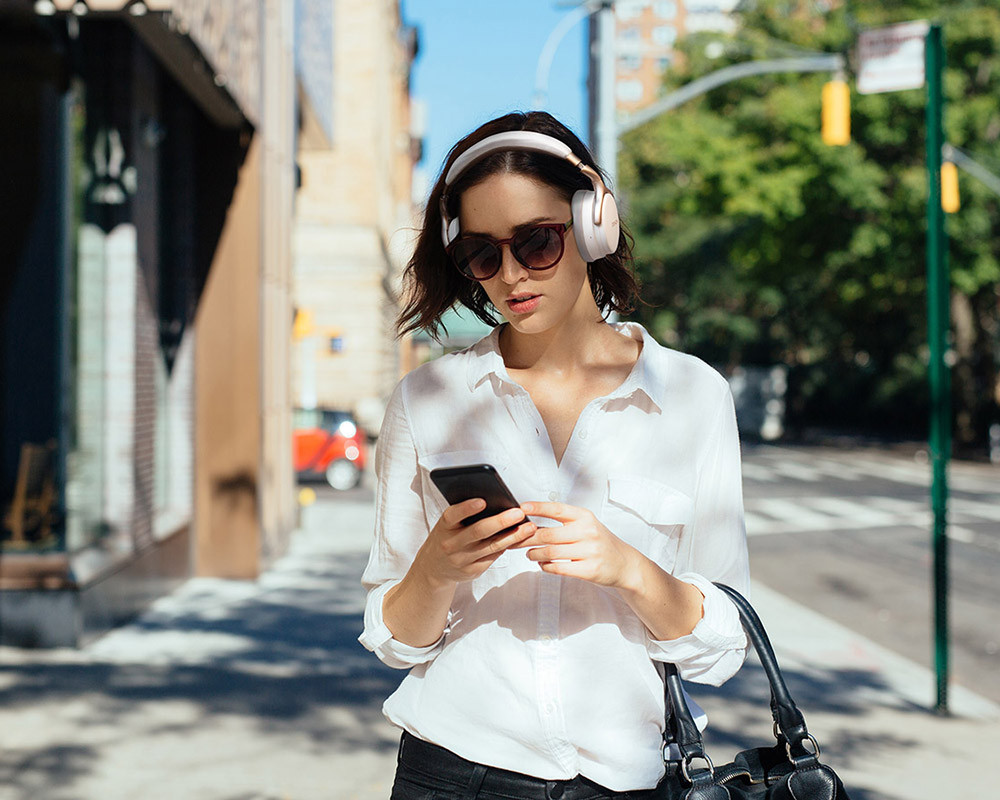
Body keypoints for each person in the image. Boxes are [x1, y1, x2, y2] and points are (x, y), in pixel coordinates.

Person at [360, 110, 750, 800]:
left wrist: (629, 569)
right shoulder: (426, 400)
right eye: (483, 254)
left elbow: (722, 643)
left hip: (629, 780)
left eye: (537, 242)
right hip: (454, 772)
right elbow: (395, 639)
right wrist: (437, 569)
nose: (510, 275)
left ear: (593, 222)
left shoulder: (693, 396)